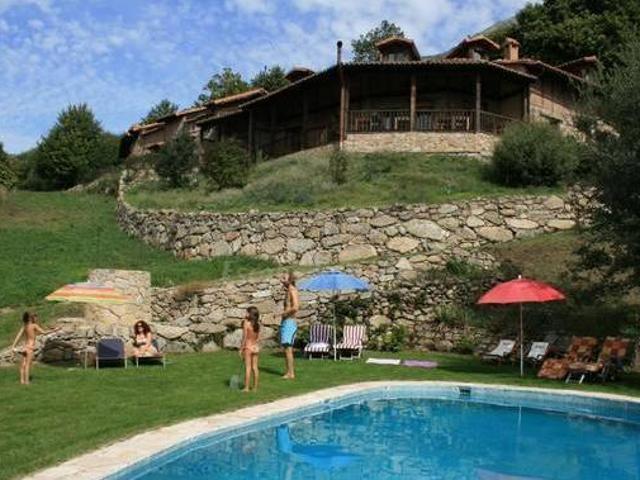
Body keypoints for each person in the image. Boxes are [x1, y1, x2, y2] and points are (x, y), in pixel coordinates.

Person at [10, 312, 58, 385]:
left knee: (23, 365)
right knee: (28, 365)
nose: (36, 319)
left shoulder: (25, 326)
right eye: (35, 317)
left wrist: (13, 346)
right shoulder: (34, 325)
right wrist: (55, 330)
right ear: (31, 318)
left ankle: (22, 381)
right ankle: (27, 382)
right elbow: (44, 332)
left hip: (24, 347)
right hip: (30, 347)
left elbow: (18, 336)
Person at [280, 271, 299, 379]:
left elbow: (296, 307)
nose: (281, 280)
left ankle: (291, 373)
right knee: (286, 349)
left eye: (284, 278)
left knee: (288, 349)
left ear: (290, 280)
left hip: (289, 322)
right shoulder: (288, 291)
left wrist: (284, 313)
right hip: (286, 322)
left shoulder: (292, 290)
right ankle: (288, 372)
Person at [240, 306, 261, 392]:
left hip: (248, 347)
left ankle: (246, 388)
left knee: (248, 368)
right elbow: (258, 338)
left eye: (247, 312)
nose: (245, 314)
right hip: (255, 347)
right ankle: (255, 387)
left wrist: (241, 349)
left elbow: (244, 337)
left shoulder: (246, 323)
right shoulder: (257, 325)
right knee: (255, 368)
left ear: (250, 314)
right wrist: (255, 344)